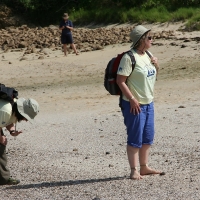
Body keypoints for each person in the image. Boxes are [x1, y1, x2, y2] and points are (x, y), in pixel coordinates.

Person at [116, 25, 163, 180]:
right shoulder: (128, 57)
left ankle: (144, 167)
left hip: (149, 103)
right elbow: (120, 81)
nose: (152, 39)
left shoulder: (148, 54)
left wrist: (156, 65)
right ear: (141, 40)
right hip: (134, 104)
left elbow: (152, 76)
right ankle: (133, 170)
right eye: (149, 37)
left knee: (148, 136)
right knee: (135, 138)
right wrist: (132, 99)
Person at [0, 98, 39, 185]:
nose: (26, 120)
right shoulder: (6, 110)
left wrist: (12, 131)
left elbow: (7, 121)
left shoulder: (14, 106)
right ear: (22, 112)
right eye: (26, 117)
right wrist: (0, 137)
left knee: (0, 147)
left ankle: (3, 179)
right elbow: (5, 116)